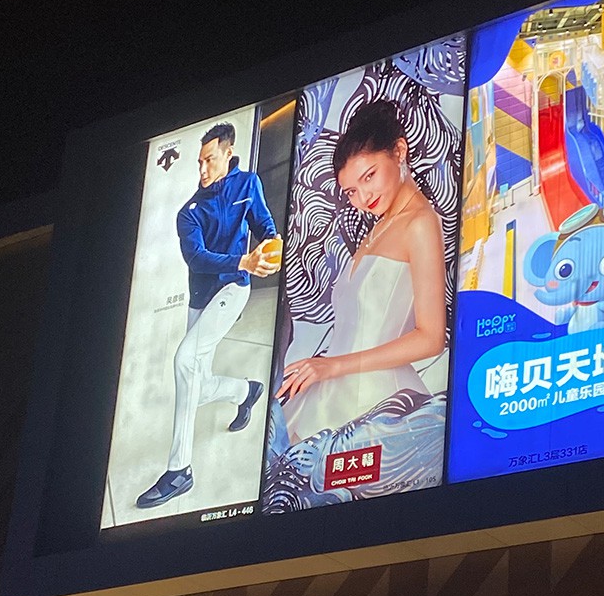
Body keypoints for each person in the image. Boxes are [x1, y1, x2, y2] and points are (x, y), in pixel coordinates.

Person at [277, 99, 446, 441]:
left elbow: (431, 338)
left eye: (370, 176)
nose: (364, 196)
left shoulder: (420, 223)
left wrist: (333, 366)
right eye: (352, 191)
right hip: (330, 391)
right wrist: (325, 366)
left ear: (399, 152)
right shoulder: (380, 226)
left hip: (376, 402)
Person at [137, 121, 281, 508]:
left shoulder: (248, 184)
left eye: (210, 160)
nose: (202, 169)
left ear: (228, 154)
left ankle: (179, 471)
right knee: (195, 386)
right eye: (199, 162)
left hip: (233, 287)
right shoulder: (188, 213)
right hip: (201, 297)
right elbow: (197, 258)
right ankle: (247, 392)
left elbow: (263, 223)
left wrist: (271, 242)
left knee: (184, 360)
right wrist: (243, 259)